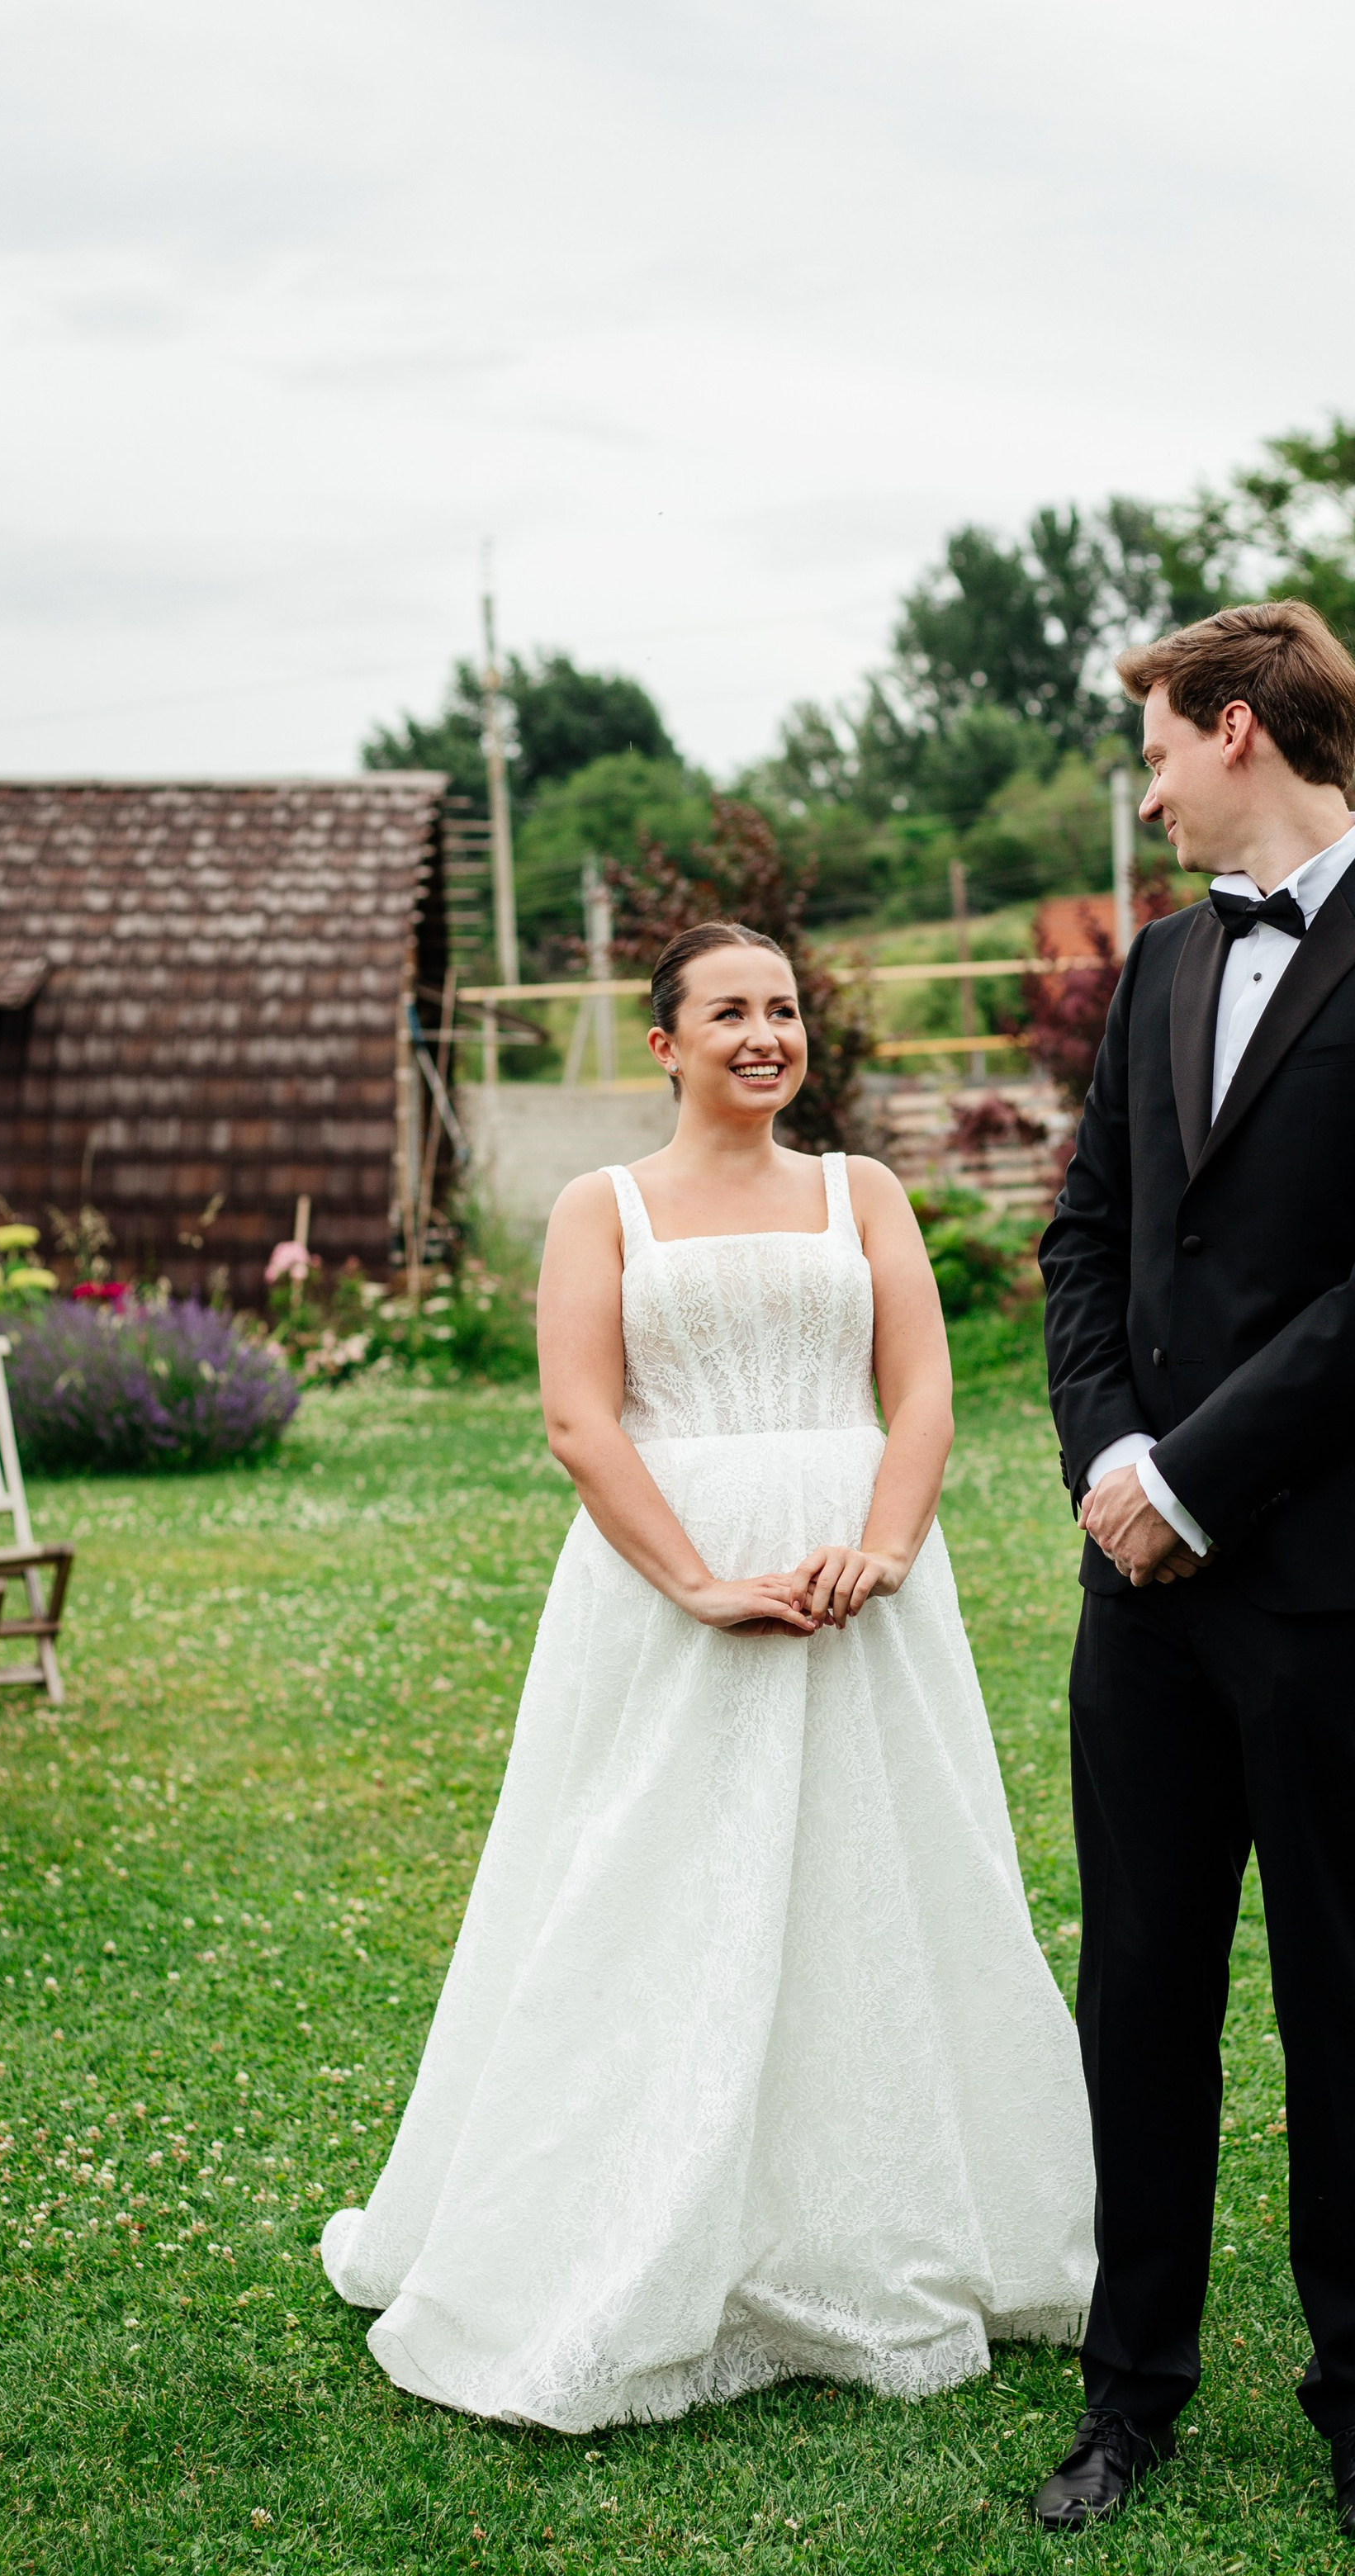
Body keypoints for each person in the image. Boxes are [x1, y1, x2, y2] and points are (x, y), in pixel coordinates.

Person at [325, 920, 1094, 2426]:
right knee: (652, 1881)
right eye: (729, 1011)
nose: (766, 1034)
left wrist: (880, 1546)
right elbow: (580, 1419)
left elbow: (926, 1387)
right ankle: (633, 2230)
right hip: (670, 1596)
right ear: (664, 1042)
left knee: (882, 1879)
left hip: (861, 1594)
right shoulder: (597, 1209)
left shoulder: (859, 1192)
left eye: (786, 1009)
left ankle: (892, 2221)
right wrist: (694, 1583)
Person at [1033, 604, 1355, 2538]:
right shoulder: (1158, 965)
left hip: (1314, 1572)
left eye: (1153, 744)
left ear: (1233, 730)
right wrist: (1106, 1467)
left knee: (1335, 1989)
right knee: (1138, 1989)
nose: (1141, 785)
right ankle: (1126, 2391)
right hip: (1130, 1578)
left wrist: (1203, 1481)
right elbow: (1083, 1246)